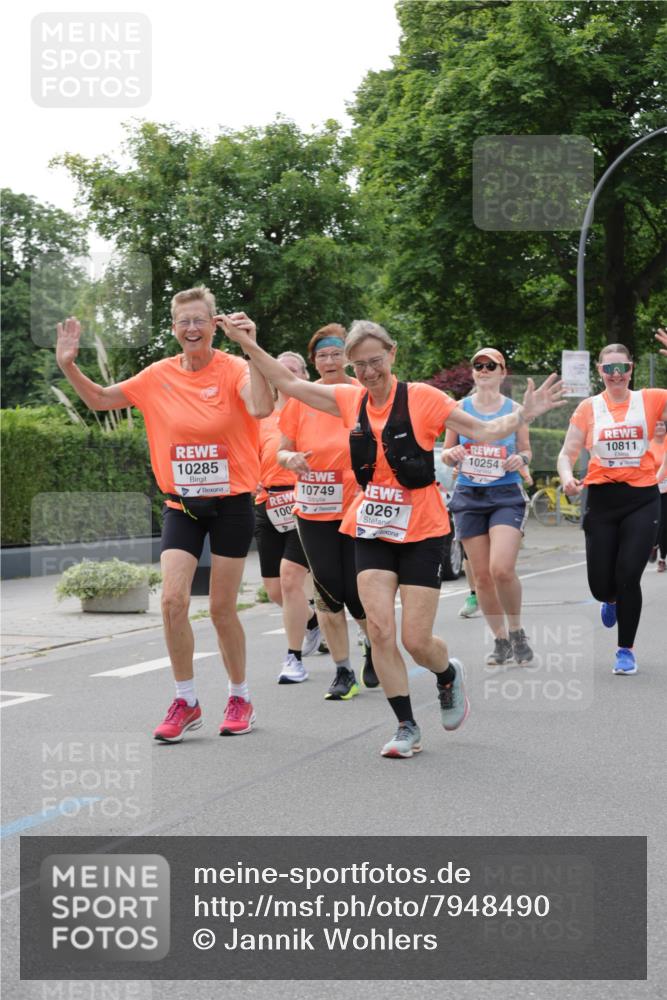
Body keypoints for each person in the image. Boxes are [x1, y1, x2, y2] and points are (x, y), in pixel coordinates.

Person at [220, 315, 563, 758]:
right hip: (372, 525)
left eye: (375, 361)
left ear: (392, 355)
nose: (368, 372)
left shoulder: (421, 398)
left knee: (416, 640)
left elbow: (483, 431)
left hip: (423, 528)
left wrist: (522, 414)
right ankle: (406, 726)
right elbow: (289, 381)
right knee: (380, 628)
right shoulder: (349, 399)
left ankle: (446, 675)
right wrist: (247, 344)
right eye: (359, 364)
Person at [55, 286, 274, 742]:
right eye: (183, 321)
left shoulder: (234, 368)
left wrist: (251, 348)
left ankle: (240, 696)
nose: (191, 329)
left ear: (215, 324)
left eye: (200, 320)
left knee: (220, 609)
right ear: (174, 328)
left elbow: (261, 406)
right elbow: (100, 400)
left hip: (231, 503)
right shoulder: (158, 375)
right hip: (181, 504)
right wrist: (69, 365)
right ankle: (186, 700)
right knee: (172, 602)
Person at [276, 324, 376, 699]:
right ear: (314, 361)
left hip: (357, 508)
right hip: (313, 509)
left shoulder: (363, 394)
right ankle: (342, 670)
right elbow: (281, 449)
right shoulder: (302, 398)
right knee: (327, 592)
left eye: (336, 353)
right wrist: (291, 458)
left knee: (358, 591)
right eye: (322, 355)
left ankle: (371, 646)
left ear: (347, 357)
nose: (330, 360)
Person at [557, 342, 667, 675]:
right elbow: (567, 453)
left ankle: (625, 650)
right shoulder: (588, 409)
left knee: (629, 575)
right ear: (600, 372)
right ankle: (611, 599)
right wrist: (566, 478)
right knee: (601, 586)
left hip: (642, 498)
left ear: (631, 369)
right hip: (602, 501)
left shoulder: (649, 399)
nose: (616, 375)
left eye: (622, 368)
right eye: (609, 369)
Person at [442, 349, 534, 664]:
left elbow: (526, 451)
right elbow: (446, 450)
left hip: (506, 494)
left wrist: (519, 459)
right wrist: (451, 455)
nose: (483, 369)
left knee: (501, 569)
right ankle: (501, 640)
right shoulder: (458, 408)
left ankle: (517, 629)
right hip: (469, 495)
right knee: (481, 576)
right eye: (478, 365)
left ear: (502, 372)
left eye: (490, 365)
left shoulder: (515, 410)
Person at [254, 351, 324, 683]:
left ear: (304, 376)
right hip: (267, 503)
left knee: (290, 577)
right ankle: (312, 622)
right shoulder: (263, 415)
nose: (286, 372)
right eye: (280, 368)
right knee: (274, 590)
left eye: (293, 368)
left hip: (303, 501)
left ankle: (293, 659)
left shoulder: (314, 411)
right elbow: (250, 454)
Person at [647, 419, 667, 572]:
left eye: (662, 424)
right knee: (656, 522)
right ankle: (653, 545)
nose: (659, 426)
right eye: (657, 424)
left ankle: (662, 559)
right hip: (652, 488)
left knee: (665, 524)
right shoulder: (648, 444)